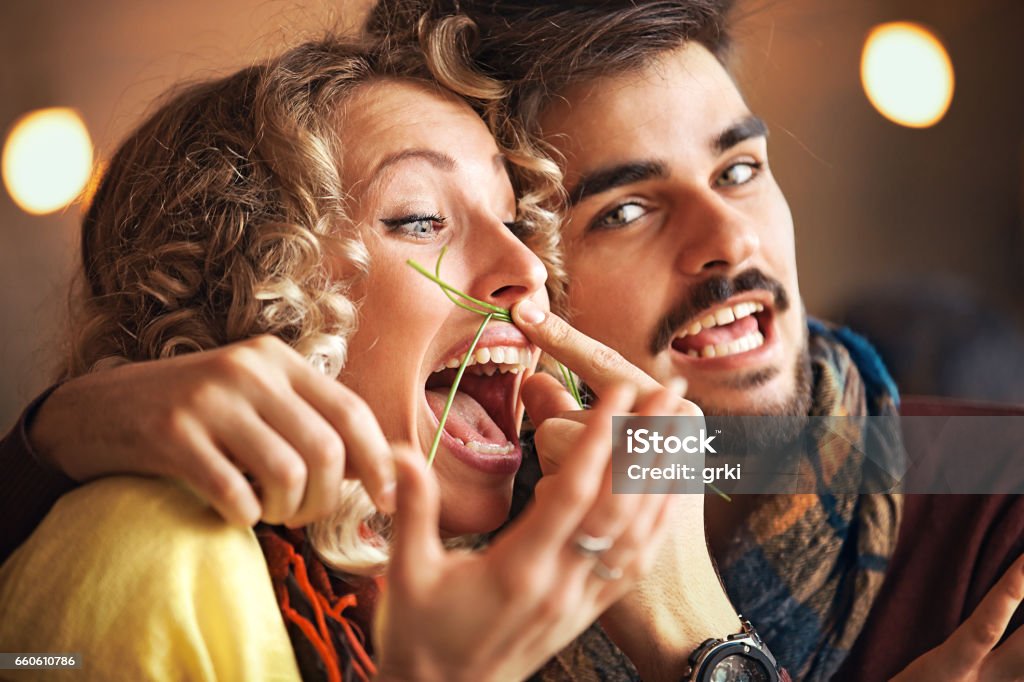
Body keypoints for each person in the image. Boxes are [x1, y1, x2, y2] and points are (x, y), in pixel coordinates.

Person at [1, 1, 1022, 680]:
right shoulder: (447, 585)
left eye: (741, 169)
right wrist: (53, 437)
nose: (729, 241)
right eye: (621, 210)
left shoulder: (998, 491)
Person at [0, 26, 692, 681]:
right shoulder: (156, 555)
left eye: (514, 221)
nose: (529, 269)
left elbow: (766, 453)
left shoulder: (456, 591)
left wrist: (695, 629)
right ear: (247, 288)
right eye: (421, 219)